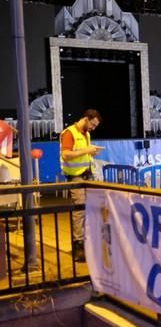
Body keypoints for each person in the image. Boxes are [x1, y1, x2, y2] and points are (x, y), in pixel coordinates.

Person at [60, 109, 104, 261]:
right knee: (79, 211)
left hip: (87, 175)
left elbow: (81, 153)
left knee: (89, 210)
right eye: (92, 124)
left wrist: (91, 153)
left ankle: (88, 243)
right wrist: (86, 150)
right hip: (76, 177)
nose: (93, 128)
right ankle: (78, 248)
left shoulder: (86, 133)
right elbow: (66, 154)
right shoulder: (69, 133)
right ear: (86, 119)